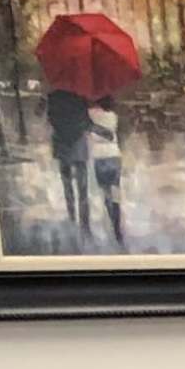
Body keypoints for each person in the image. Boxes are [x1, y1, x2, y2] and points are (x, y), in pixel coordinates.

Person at [44, 85, 92, 229]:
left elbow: (50, 119)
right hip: (78, 146)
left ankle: (72, 217)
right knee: (83, 187)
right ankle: (85, 223)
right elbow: (86, 122)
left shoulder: (53, 97)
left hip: (62, 146)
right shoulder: (81, 97)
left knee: (67, 184)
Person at [86, 98, 126, 247]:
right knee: (115, 191)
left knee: (105, 192)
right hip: (114, 156)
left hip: (99, 157)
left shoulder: (90, 115)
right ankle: (117, 224)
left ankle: (111, 218)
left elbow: (86, 129)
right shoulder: (114, 116)